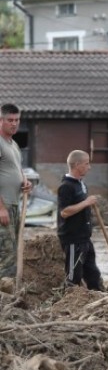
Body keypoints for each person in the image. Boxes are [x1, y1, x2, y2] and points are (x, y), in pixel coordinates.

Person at [57, 150, 103, 290]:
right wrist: (85, 203)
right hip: (72, 239)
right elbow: (64, 212)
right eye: (86, 163)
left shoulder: (81, 184)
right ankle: (68, 307)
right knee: (73, 277)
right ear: (77, 165)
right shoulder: (66, 186)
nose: (89, 167)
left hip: (84, 238)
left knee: (93, 275)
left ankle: (99, 302)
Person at [0, 103, 32, 278]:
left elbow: (17, 172)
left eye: (17, 120)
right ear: (1, 120)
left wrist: (25, 183)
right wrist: (1, 208)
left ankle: (9, 295)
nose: (14, 124)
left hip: (14, 206)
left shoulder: (13, 145)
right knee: (6, 255)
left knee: (15, 251)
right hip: (3, 207)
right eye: (10, 120)